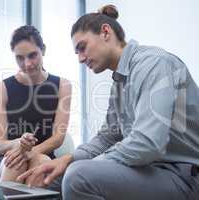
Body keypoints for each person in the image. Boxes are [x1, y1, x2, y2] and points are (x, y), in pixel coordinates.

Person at [18, 5, 199, 200]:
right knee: (50, 178)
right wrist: (68, 159)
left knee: (77, 176)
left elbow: (147, 143)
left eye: (82, 47)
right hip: (151, 170)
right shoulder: (120, 83)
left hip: (183, 175)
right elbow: (108, 138)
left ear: (105, 32)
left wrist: (86, 164)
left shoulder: (154, 64)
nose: (79, 58)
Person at [0, 25, 72, 184]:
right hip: (6, 157)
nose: (27, 64)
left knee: (40, 163)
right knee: (15, 164)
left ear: (44, 50)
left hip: (42, 153)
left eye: (32, 55)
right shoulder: (2, 88)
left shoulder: (63, 85)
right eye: (20, 58)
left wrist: (30, 151)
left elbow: (58, 138)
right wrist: (19, 144)